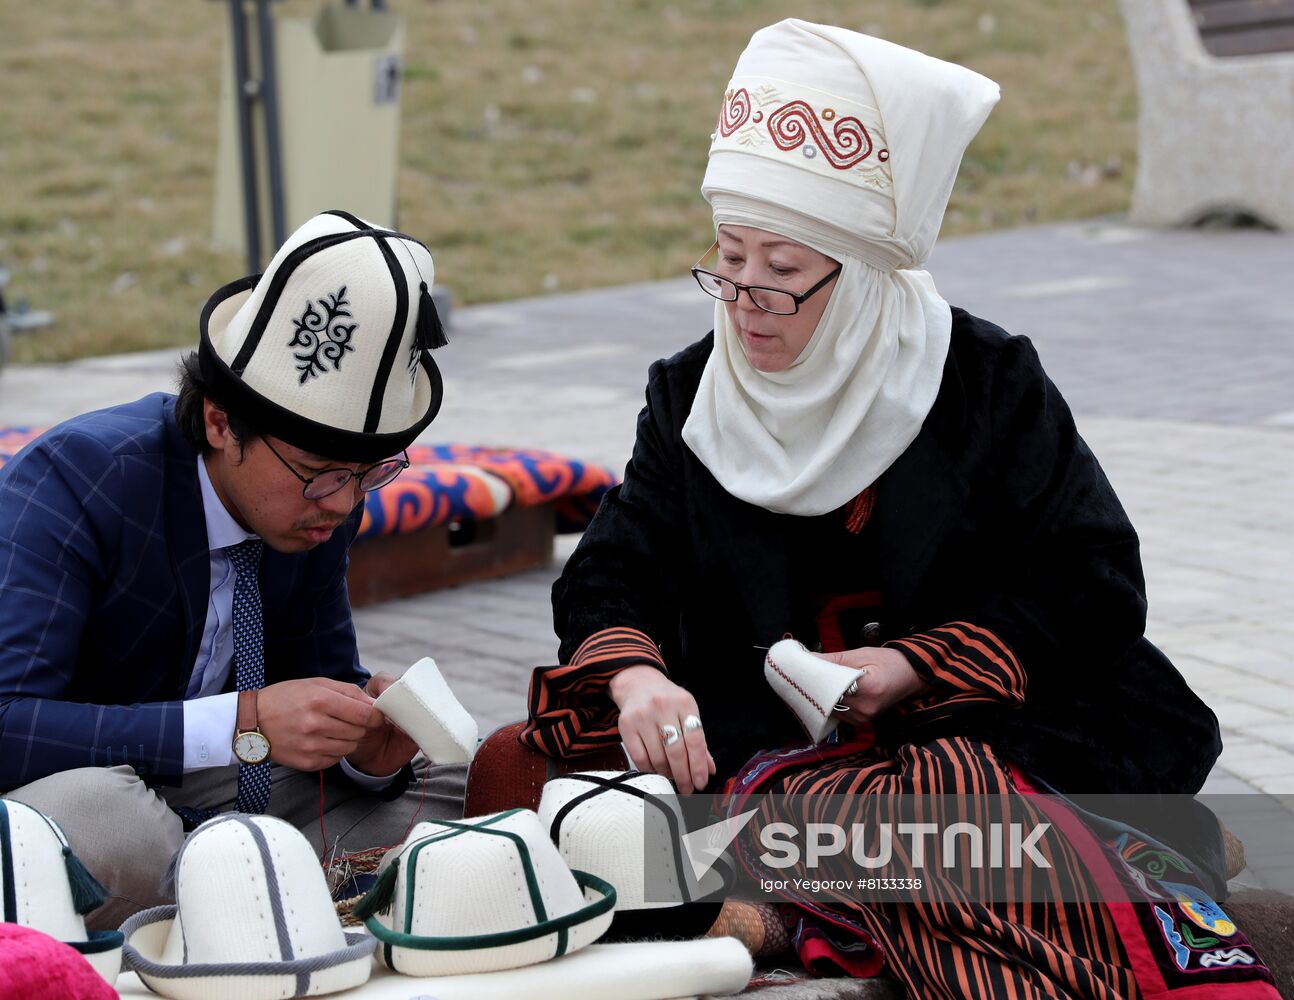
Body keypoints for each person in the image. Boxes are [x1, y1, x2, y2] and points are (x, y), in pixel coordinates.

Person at [521, 21, 1280, 998]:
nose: (745, 297)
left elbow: (1093, 576)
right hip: (777, 737)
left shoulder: (986, 382)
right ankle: (1108, 854)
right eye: (728, 258)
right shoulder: (690, 395)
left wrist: (914, 663)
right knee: (571, 774)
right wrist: (636, 683)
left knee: (940, 794)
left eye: (783, 273)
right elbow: (614, 564)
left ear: (866, 278)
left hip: (994, 725)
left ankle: (802, 894)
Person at [0, 210, 464, 930]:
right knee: (112, 826)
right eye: (317, 474)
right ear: (220, 422)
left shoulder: (321, 506)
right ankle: (269, 896)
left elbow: (320, 676)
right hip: (66, 795)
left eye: (369, 475)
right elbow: (8, 723)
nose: (341, 505)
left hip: (214, 797)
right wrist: (244, 723)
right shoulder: (78, 479)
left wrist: (367, 753)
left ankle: (243, 896)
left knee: (470, 784)